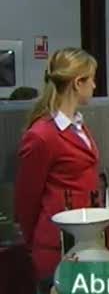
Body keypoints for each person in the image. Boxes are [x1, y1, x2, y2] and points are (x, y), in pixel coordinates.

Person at [14, 47, 99, 280]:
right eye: (91, 79)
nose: (94, 86)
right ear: (78, 83)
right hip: (56, 247)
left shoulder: (79, 126)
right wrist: (36, 245)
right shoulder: (42, 135)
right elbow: (26, 200)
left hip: (84, 240)